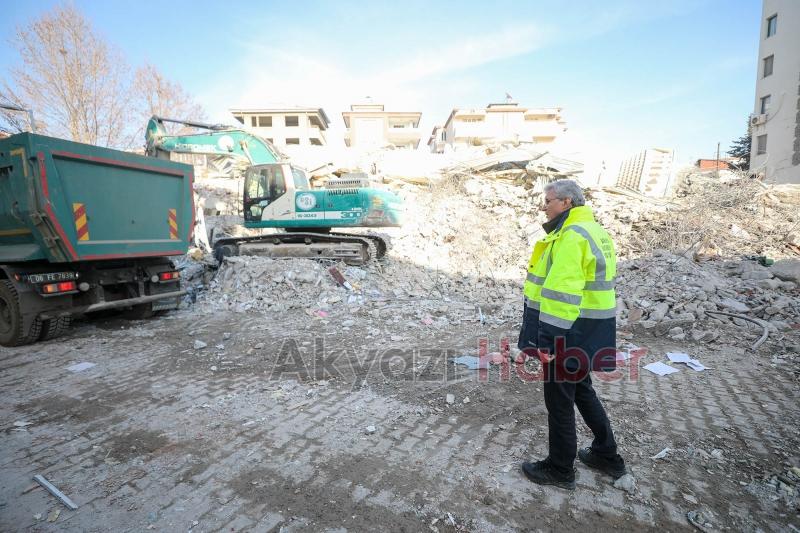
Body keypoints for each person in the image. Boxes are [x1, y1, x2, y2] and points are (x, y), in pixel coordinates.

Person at [517, 179, 626, 490]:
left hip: (568, 333)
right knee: (582, 391)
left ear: (566, 202)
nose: (544, 205)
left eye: (549, 200)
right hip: (589, 330)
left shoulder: (571, 236)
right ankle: (606, 454)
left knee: (560, 401)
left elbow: (561, 293)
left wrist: (548, 342)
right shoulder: (594, 231)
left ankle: (560, 468)